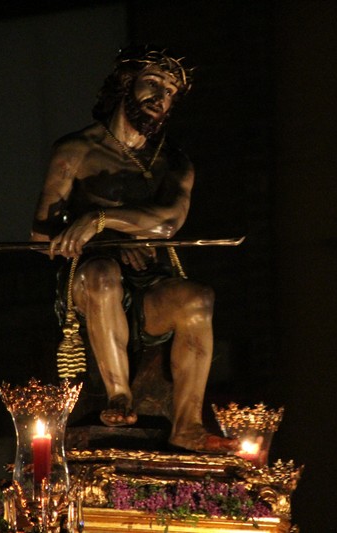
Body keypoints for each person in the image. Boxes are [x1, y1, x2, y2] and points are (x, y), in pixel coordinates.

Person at [30, 45, 237, 453]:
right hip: (89, 280)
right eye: (153, 83)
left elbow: (168, 223)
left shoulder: (174, 162)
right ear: (127, 83)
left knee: (197, 299)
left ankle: (188, 424)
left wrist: (101, 219)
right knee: (102, 274)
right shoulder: (76, 151)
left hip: (150, 279)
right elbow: (41, 236)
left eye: (171, 92)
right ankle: (119, 394)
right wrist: (101, 240)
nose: (161, 98)